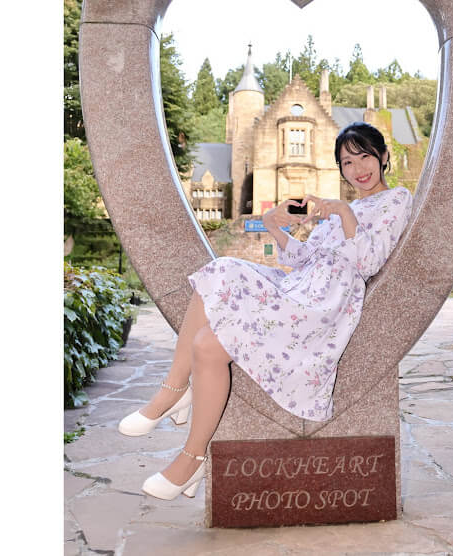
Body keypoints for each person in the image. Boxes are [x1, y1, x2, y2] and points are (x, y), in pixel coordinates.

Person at [118, 122, 414, 500]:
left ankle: (186, 444)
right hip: (299, 287)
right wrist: (274, 225)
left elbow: (368, 261)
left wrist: (343, 213)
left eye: (365, 157)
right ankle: (179, 406)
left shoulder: (395, 200)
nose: (358, 169)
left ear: (384, 156)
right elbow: (305, 259)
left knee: (216, 302)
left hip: (321, 307)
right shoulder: (347, 209)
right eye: (347, 162)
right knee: (213, 306)